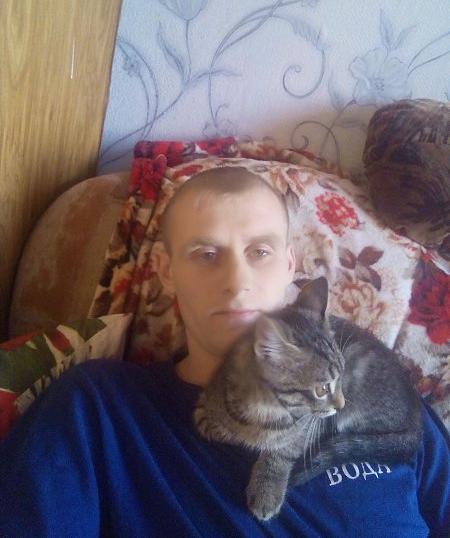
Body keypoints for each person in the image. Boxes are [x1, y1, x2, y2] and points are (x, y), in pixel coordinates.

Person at [0, 167, 449, 538]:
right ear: (167, 271)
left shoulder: (385, 393)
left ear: (289, 265)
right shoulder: (99, 406)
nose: (237, 282)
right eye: (206, 254)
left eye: (260, 251)